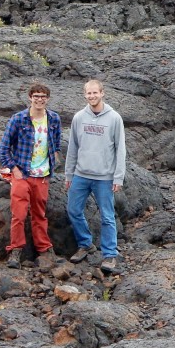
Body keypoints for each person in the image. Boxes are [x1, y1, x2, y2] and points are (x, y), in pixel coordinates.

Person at [65, 79, 127, 273]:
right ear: (85, 95)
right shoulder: (78, 118)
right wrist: (69, 174)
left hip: (105, 177)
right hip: (81, 174)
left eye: (95, 93)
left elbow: (120, 150)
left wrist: (118, 177)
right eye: (88, 93)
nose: (92, 96)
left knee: (107, 217)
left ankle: (109, 255)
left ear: (102, 93)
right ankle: (85, 244)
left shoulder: (114, 118)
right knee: (73, 210)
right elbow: (72, 148)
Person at [0, 83, 62, 269]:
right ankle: (15, 250)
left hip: (42, 176)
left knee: (39, 214)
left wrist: (53, 161)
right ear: (30, 97)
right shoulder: (18, 119)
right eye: (36, 96)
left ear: (48, 99)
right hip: (22, 174)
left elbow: (56, 144)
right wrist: (14, 170)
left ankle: (44, 249)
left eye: (43, 96)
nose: (40, 99)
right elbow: (3, 148)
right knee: (18, 215)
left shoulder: (54, 119)